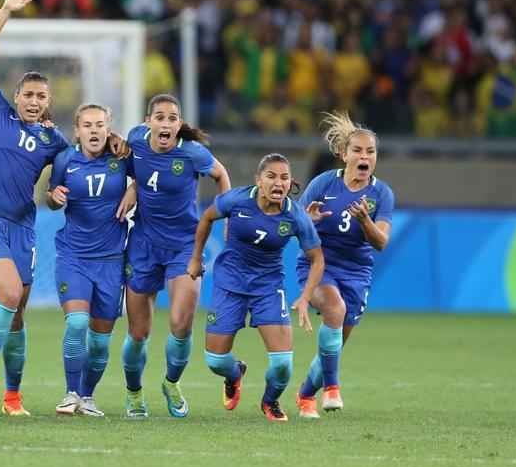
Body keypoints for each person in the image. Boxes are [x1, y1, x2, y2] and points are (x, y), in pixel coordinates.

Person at [0, 0, 71, 415]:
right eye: (27, 94)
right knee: (8, 294)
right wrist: (6, 10)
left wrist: (59, 196)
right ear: (16, 95)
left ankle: (12, 396)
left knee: (18, 313)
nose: (32, 101)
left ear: (47, 102)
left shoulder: (55, 141)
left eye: (40, 97)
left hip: (23, 226)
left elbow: (57, 190)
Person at [187, 153, 326, 422]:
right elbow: (206, 218)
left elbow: (317, 258)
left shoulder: (296, 216)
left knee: (283, 364)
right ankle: (235, 373)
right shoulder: (237, 200)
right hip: (230, 283)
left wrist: (305, 297)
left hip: (268, 286)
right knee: (215, 361)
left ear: (290, 183)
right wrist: (195, 258)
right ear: (258, 180)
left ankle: (270, 401)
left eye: (284, 177)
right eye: (271, 176)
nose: (278, 183)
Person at [119, 94, 231, 419]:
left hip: (185, 245)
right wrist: (132, 187)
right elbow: (137, 171)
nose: (166, 124)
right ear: (148, 122)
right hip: (143, 245)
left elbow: (222, 175)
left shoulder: (192, 153)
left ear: (179, 124)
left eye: (172, 118)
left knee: (181, 324)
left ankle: (171, 383)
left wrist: (226, 215)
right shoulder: (136, 140)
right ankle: (134, 392)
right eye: (160, 117)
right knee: (138, 332)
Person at [294, 111, 395, 419]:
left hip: (357, 272)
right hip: (318, 266)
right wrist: (306, 221)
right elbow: (292, 225)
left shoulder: (382, 194)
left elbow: (380, 243)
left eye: (371, 151)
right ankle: (333, 389)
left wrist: (365, 221)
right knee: (334, 309)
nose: (365, 156)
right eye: (358, 150)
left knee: (334, 343)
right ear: (343, 154)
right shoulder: (323, 184)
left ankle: (305, 394)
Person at [46, 104, 130, 418]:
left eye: (100, 125)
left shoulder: (122, 159)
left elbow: (147, 175)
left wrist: (133, 190)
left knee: (99, 341)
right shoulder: (65, 159)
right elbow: (51, 195)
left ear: (108, 129)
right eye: (87, 125)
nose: (94, 131)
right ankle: (70, 393)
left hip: (110, 260)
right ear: (77, 130)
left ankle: (88, 396)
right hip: (74, 256)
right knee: (77, 322)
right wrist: (52, 198)